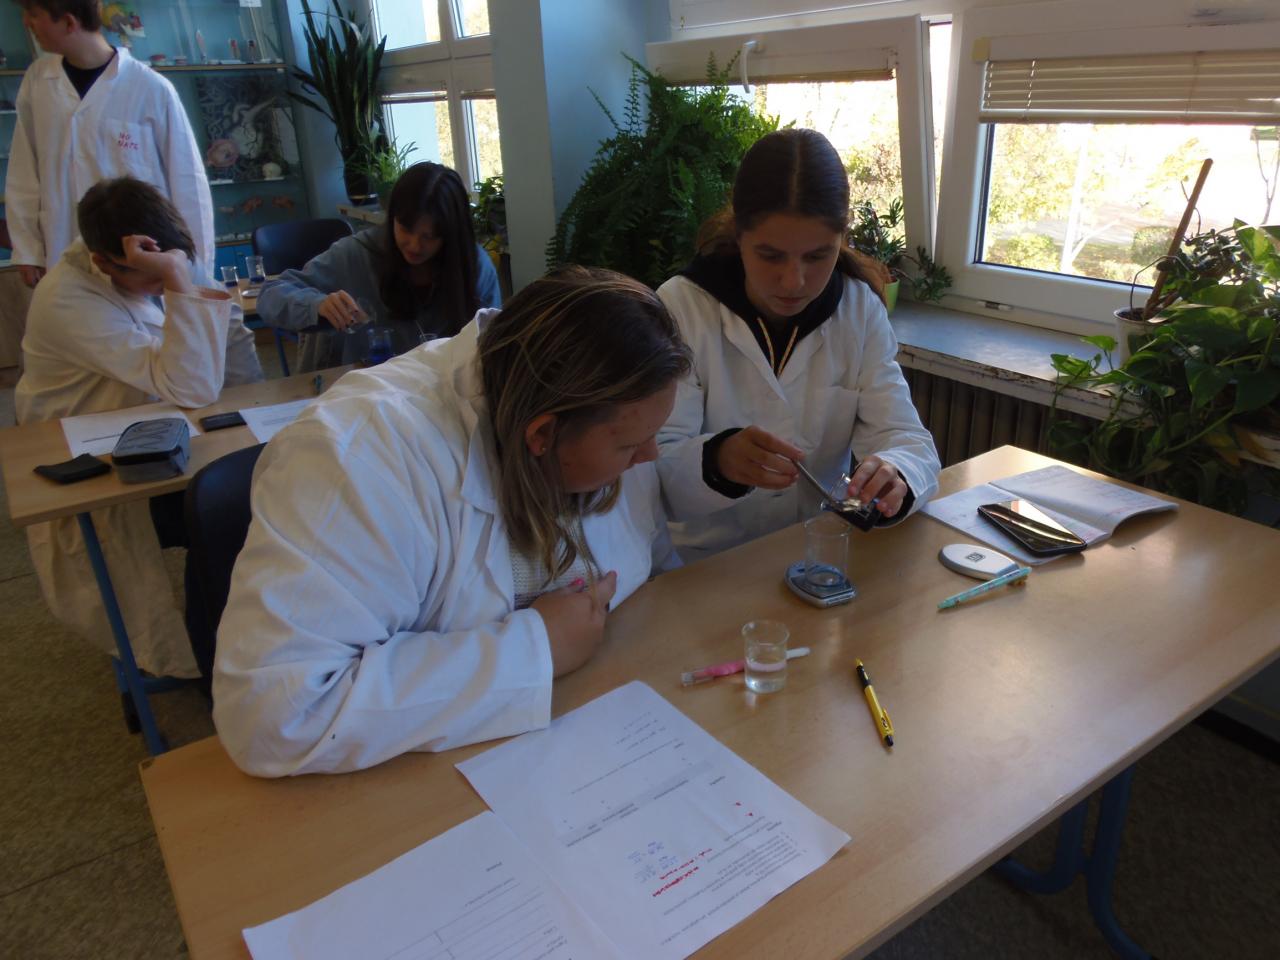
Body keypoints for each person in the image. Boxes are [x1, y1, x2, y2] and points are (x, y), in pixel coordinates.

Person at [214, 267, 690, 776]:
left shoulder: (612, 407)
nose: (649, 456)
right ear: (541, 436)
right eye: (629, 446)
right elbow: (275, 715)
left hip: (593, 732)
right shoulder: (357, 459)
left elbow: (652, 568)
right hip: (425, 783)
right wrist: (535, 649)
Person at [15, 177, 262, 679]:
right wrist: (173, 276)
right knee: (220, 513)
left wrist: (252, 420)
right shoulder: (66, 300)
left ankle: (245, 636)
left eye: (169, 263)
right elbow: (191, 385)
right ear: (104, 262)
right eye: (150, 277)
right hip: (97, 459)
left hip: (160, 426)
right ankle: (216, 659)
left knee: (257, 488)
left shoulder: (159, 256)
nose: (162, 283)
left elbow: (228, 334)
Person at [656, 129, 940, 561]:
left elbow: (903, 435)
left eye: (817, 256)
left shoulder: (859, 310)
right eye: (770, 256)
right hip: (702, 564)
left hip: (814, 552)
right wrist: (717, 462)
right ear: (739, 235)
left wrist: (896, 472)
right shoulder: (682, 307)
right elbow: (651, 463)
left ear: (841, 239)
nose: (793, 282)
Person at [6, 0, 216, 286]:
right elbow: (24, 172)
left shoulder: (151, 89)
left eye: (33, 14)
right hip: (63, 248)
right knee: (71, 310)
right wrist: (27, 249)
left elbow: (188, 183)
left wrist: (195, 270)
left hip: (138, 263)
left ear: (69, 22)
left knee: (143, 315)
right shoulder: (38, 81)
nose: (26, 23)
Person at [256, 161, 501, 372]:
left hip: (443, 395)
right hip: (365, 395)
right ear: (392, 217)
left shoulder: (476, 267)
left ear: (451, 235)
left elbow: (492, 345)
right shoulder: (355, 254)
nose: (414, 245)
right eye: (405, 229)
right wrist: (316, 304)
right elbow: (269, 295)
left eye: (429, 237)